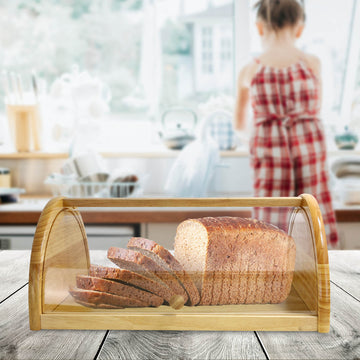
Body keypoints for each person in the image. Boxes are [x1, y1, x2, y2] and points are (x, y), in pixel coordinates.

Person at [234, 0, 338, 247]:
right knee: (313, 214)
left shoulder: (250, 70)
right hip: (309, 152)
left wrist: (263, 136)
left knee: (270, 221)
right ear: (299, 29)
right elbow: (315, 110)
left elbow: (239, 125)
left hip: (270, 158)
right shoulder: (312, 64)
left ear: (259, 27)